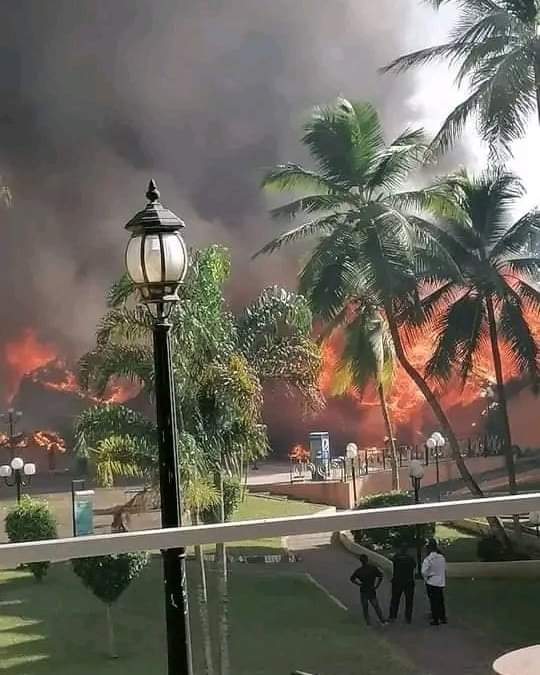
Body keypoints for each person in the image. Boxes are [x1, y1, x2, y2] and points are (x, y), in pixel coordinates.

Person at [350, 554, 387, 626]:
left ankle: (368, 623)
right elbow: (381, 576)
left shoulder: (359, 571)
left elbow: (352, 579)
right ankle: (382, 620)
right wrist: (377, 586)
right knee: (376, 606)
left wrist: (359, 584)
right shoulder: (373, 568)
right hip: (371, 589)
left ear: (361, 561)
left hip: (363, 590)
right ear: (367, 560)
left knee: (365, 607)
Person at [422, 538, 447, 626]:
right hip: (441, 582)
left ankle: (435, 619)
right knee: (440, 600)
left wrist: (428, 576)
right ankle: (443, 617)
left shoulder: (428, 559)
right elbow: (444, 569)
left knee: (433, 601)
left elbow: (423, 571)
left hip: (432, 582)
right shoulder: (441, 557)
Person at [388, 543, 416, 623]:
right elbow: (414, 566)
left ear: (400, 549)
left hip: (397, 581)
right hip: (408, 581)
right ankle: (408, 617)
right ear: (407, 549)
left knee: (395, 599)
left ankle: (392, 616)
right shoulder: (410, 558)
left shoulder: (396, 557)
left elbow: (392, 560)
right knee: (409, 601)